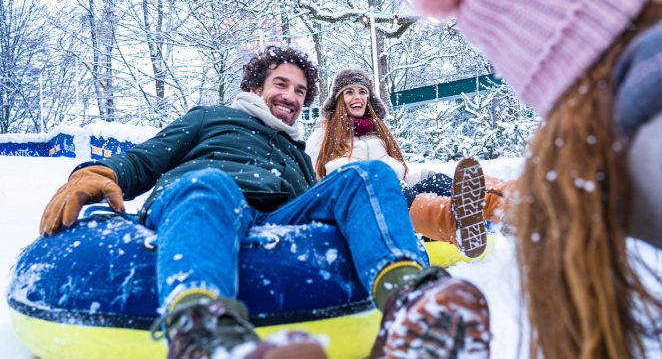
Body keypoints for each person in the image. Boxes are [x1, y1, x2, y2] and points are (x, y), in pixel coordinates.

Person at [38, 45, 491, 359]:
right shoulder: (211, 117)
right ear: (257, 86)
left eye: (299, 92)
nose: (291, 97)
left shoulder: (296, 150)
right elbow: (145, 159)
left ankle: (413, 305)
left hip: (275, 219)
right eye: (281, 84)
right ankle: (203, 332)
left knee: (367, 174)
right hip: (203, 202)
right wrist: (95, 174)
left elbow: (316, 203)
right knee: (210, 182)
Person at [384, 0, 662, 358]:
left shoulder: (620, 151)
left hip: (415, 179)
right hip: (388, 185)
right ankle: (457, 214)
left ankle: (464, 212)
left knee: (455, 188)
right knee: (418, 195)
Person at [306, 68, 511, 258]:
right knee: (393, 191)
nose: (357, 97)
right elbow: (311, 184)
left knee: (436, 181)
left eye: (362, 91)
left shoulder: (378, 133)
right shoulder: (323, 136)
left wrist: (423, 176)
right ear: (339, 98)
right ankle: (454, 226)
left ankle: (501, 209)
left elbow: (401, 176)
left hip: (396, 199)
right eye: (349, 92)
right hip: (358, 210)